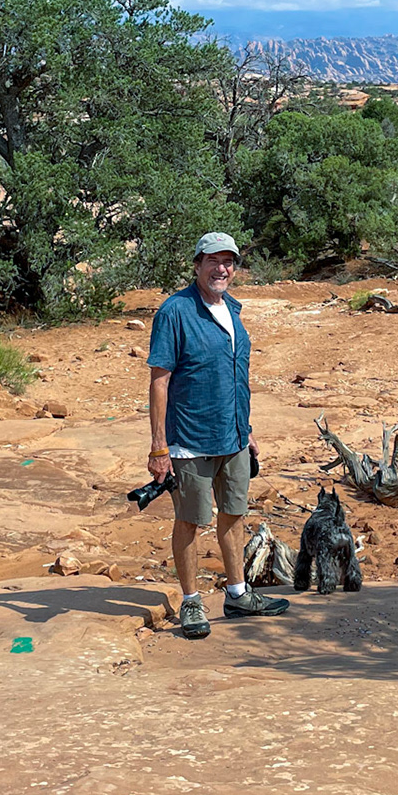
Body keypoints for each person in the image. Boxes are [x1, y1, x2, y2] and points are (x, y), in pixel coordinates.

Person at [147, 232, 290, 639]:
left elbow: (235, 377)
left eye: (229, 262)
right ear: (197, 265)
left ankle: (238, 593)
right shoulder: (175, 311)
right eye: (213, 261)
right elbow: (160, 381)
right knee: (191, 519)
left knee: (234, 513)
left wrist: (246, 430)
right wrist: (159, 447)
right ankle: (192, 602)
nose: (221, 269)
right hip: (189, 439)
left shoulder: (234, 310)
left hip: (233, 436)